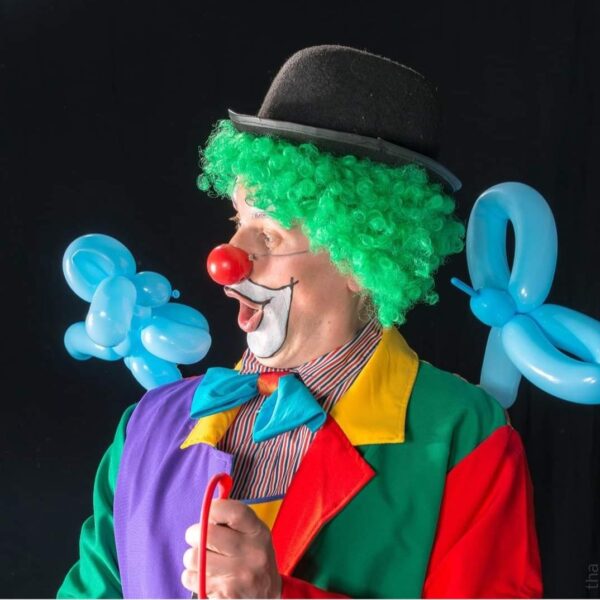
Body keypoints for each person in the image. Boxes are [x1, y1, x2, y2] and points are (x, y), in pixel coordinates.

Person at [58, 45, 543, 599]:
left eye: (268, 235)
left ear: (360, 260)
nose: (226, 262)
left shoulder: (461, 433)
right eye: (237, 222)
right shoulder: (147, 426)